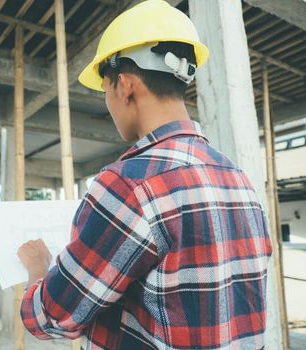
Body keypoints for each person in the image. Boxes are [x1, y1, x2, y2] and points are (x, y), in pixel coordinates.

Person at [17, 0, 272, 349]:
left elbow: (52, 317)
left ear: (124, 85)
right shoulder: (238, 179)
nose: (108, 103)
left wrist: (38, 269)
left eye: (105, 89)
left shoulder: (130, 184)